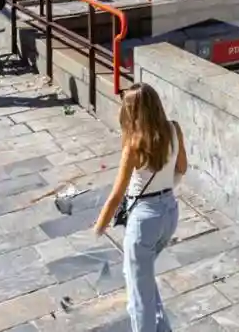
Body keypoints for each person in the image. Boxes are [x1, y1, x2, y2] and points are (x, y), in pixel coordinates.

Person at [94, 83, 187, 331]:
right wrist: (165, 186)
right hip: (169, 213)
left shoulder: (134, 146)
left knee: (138, 296)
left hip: (144, 220)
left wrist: (99, 227)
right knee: (142, 277)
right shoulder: (174, 129)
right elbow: (182, 169)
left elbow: (116, 195)